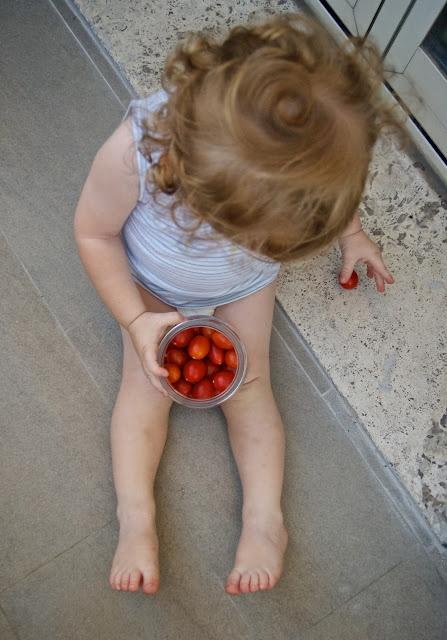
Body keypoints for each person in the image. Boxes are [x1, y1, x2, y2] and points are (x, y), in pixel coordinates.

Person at [74, 13, 397, 596]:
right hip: (152, 281)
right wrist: (137, 318)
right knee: (146, 387)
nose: (261, 245)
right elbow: (93, 234)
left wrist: (349, 232)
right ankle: (136, 517)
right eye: (251, 233)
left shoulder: (311, 158)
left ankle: (265, 521)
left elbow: (322, 182)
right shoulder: (138, 150)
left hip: (244, 286)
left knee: (250, 385)